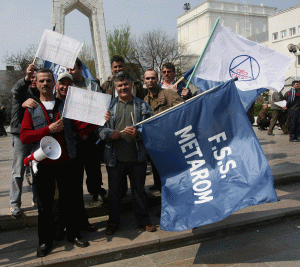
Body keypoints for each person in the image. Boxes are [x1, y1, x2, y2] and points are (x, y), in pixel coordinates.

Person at [20, 68, 97, 257]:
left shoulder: (66, 106)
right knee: (45, 205)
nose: (45, 84)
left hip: (66, 162)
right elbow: (24, 136)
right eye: (41, 81)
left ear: (54, 83)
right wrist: (48, 129)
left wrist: (98, 120)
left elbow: (81, 127)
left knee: (69, 200)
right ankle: (45, 241)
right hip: (44, 164)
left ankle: (73, 234)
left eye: (48, 80)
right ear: (36, 84)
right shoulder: (31, 108)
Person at [98, 71, 157, 235]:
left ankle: (144, 220)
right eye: (120, 85)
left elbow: (150, 129)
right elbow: (99, 129)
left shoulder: (142, 105)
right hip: (114, 158)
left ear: (131, 85)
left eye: (125, 84)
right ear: (115, 88)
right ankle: (113, 222)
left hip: (137, 157)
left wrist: (138, 133)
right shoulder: (108, 107)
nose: (123, 87)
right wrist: (109, 134)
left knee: (139, 192)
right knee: (115, 193)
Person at [67, 58, 106, 202]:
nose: (70, 72)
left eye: (73, 69)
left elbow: (99, 108)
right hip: (74, 135)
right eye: (67, 70)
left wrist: (87, 131)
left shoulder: (92, 85)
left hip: (91, 132)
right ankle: (76, 197)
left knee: (93, 166)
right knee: (76, 168)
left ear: (80, 68)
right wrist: (78, 133)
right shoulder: (66, 86)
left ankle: (96, 189)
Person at [144, 69, 184, 191]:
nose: (150, 81)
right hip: (155, 142)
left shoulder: (168, 94)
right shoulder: (145, 100)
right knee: (157, 167)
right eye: (147, 78)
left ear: (157, 79)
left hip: (170, 140)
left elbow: (182, 110)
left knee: (174, 175)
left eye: (153, 78)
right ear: (144, 81)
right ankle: (158, 185)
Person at [9, 63, 39, 216]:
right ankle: (15, 204)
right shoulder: (21, 90)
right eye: (31, 77)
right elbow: (16, 92)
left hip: (35, 135)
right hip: (20, 136)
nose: (34, 80)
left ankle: (37, 199)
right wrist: (26, 78)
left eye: (36, 77)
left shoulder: (40, 93)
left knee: (36, 169)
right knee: (18, 171)